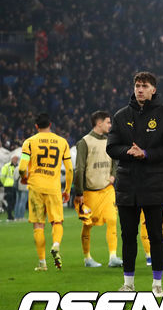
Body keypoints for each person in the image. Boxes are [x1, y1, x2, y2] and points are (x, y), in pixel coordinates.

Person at [107, 71, 163, 297]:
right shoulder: (121, 115)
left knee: (155, 236)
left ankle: (157, 283)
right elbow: (111, 147)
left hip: (154, 184)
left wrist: (146, 153)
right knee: (128, 236)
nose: (140, 89)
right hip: (127, 186)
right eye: (137, 85)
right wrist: (128, 152)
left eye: (145, 86)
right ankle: (128, 283)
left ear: (153, 89)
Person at [18, 113, 73, 271]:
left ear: (36, 126)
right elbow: (69, 169)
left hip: (35, 186)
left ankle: (42, 263)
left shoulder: (29, 142)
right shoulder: (62, 142)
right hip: (53, 187)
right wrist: (67, 190)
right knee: (57, 221)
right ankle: (55, 244)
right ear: (50, 124)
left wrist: (24, 178)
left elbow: (22, 167)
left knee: (38, 224)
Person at [73, 111, 123, 268]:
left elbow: (114, 161)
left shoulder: (109, 141)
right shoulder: (84, 142)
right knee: (88, 224)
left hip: (107, 190)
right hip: (90, 192)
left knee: (112, 220)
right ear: (99, 123)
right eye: (108, 122)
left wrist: (113, 175)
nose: (110, 125)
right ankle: (87, 258)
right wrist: (79, 192)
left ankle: (113, 256)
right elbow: (79, 169)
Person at [139, 199, 163, 266]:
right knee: (145, 224)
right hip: (143, 197)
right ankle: (149, 254)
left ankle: (157, 250)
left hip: (160, 196)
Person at [1, 155, 18, 221]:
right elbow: (2, 176)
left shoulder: (17, 166)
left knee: (13, 201)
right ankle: (9, 216)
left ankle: (11, 215)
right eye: (15, 159)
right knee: (9, 201)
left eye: (16, 159)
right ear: (11, 159)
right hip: (8, 185)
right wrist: (4, 183)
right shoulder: (6, 166)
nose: (16, 160)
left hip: (14, 186)